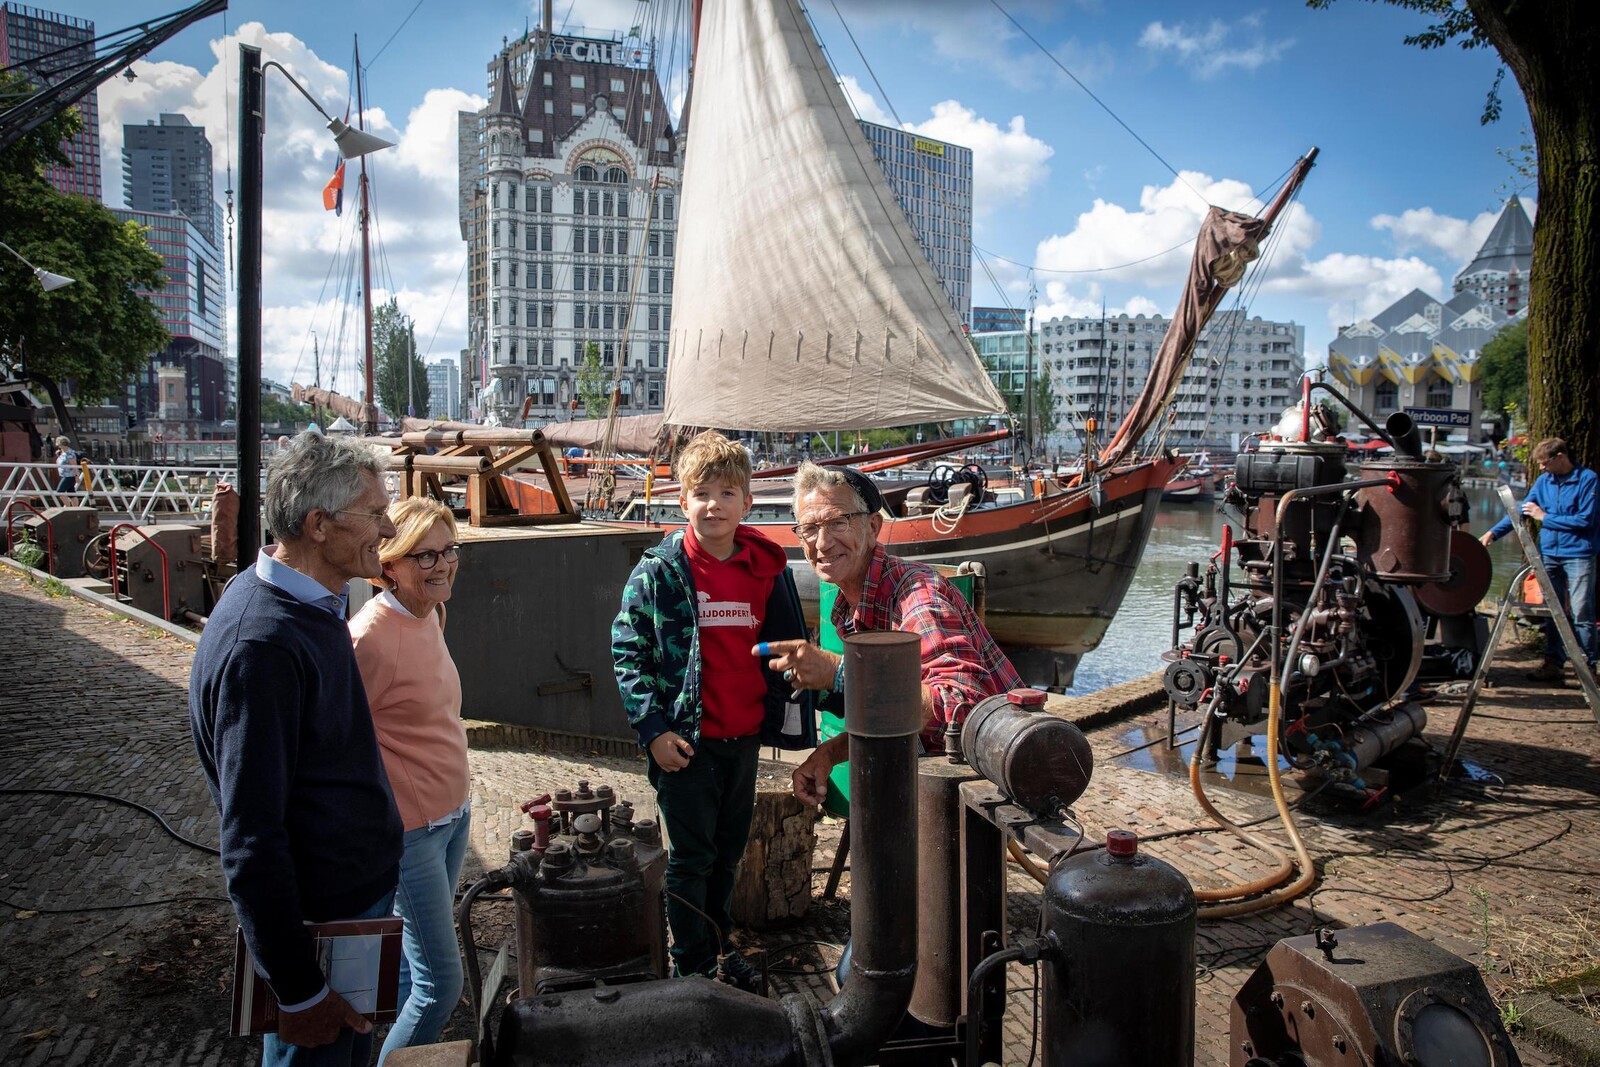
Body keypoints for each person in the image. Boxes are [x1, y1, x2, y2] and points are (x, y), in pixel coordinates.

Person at [189, 432, 403, 1067]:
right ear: (318, 525)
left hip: (344, 909)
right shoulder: (265, 646)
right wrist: (301, 990)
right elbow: (252, 841)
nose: (388, 527)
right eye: (374, 513)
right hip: (321, 933)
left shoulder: (303, 605)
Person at [611, 430, 812, 993]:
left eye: (727, 493)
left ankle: (719, 946)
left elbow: (790, 648)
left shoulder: (765, 571)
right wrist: (652, 730)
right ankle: (691, 966)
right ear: (682, 501)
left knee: (728, 855)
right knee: (690, 859)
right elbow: (629, 652)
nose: (714, 505)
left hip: (743, 737)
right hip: (686, 743)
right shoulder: (660, 572)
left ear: (747, 502)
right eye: (701, 493)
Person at [766, 464, 1023, 807]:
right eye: (810, 529)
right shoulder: (848, 606)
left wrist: (840, 674)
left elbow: (964, 707)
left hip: (988, 780)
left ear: (873, 526)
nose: (822, 543)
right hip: (934, 773)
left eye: (837, 522)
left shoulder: (917, 596)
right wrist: (830, 753)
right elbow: (890, 710)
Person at [349, 498, 470, 1063]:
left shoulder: (431, 615)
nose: (442, 565)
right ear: (389, 565)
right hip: (412, 832)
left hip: (453, 817)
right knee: (442, 985)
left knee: (404, 969)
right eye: (425, 555)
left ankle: (375, 1047)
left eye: (449, 551)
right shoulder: (369, 637)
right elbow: (336, 739)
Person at [1481, 436, 1600, 681]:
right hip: (1549, 555)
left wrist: (1545, 517)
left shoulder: (1588, 480)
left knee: (1581, 611)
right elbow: (1523, 511)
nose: (1542, 468)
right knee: (1553, 611)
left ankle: (1591, 664)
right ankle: (1554, 663)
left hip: (1579, 554)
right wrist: (1494, 533)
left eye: (1545, 463)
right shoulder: (1545, 481)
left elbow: (1585, 520)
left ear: (1560, 458)